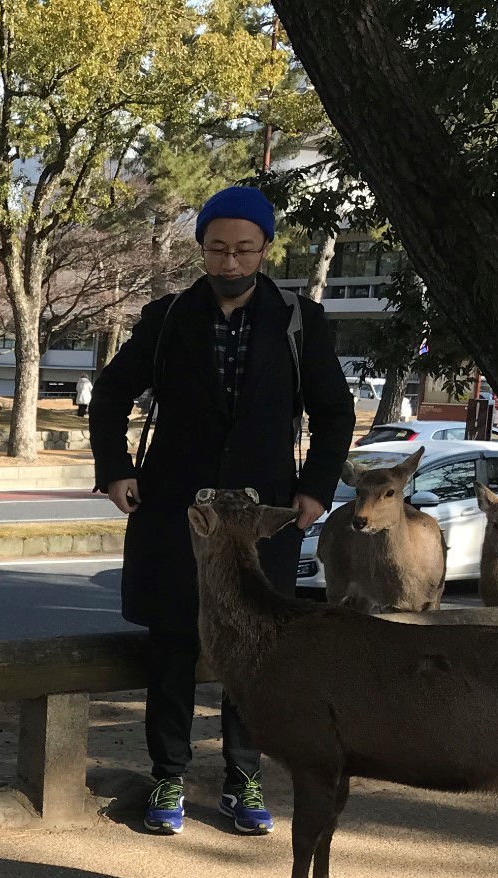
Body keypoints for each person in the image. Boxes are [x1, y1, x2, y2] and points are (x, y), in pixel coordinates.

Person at [88, 185, 356, 837]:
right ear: (201, 248)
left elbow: (334, 414)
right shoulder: (168, 317)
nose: (230, 262)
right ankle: (168, 777)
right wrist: (116, 470)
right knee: (174, 650)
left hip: (263, 519)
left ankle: (244, 780)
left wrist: (315, 490)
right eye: (216, 249)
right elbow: (111, 395)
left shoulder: (301, 322)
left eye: (243, 250)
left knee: (257, 656)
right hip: (177, 515)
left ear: (265, 248)